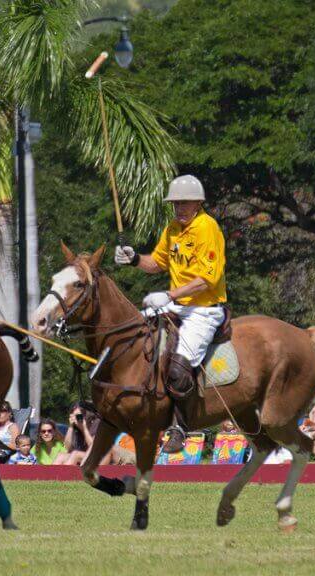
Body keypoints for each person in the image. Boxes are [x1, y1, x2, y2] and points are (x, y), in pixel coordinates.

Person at [114, 175, 227, 453]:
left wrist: (170, 295)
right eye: (176, 203)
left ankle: (181, 426)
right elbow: (158, 263)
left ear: (198, 202)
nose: (179, 208)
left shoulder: (207, 228)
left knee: (177, 368)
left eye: (185, 202)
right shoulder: (173, 229)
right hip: (177, 305)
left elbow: (207, 279)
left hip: (203, 310)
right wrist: (135, 259)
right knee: (137, 341)